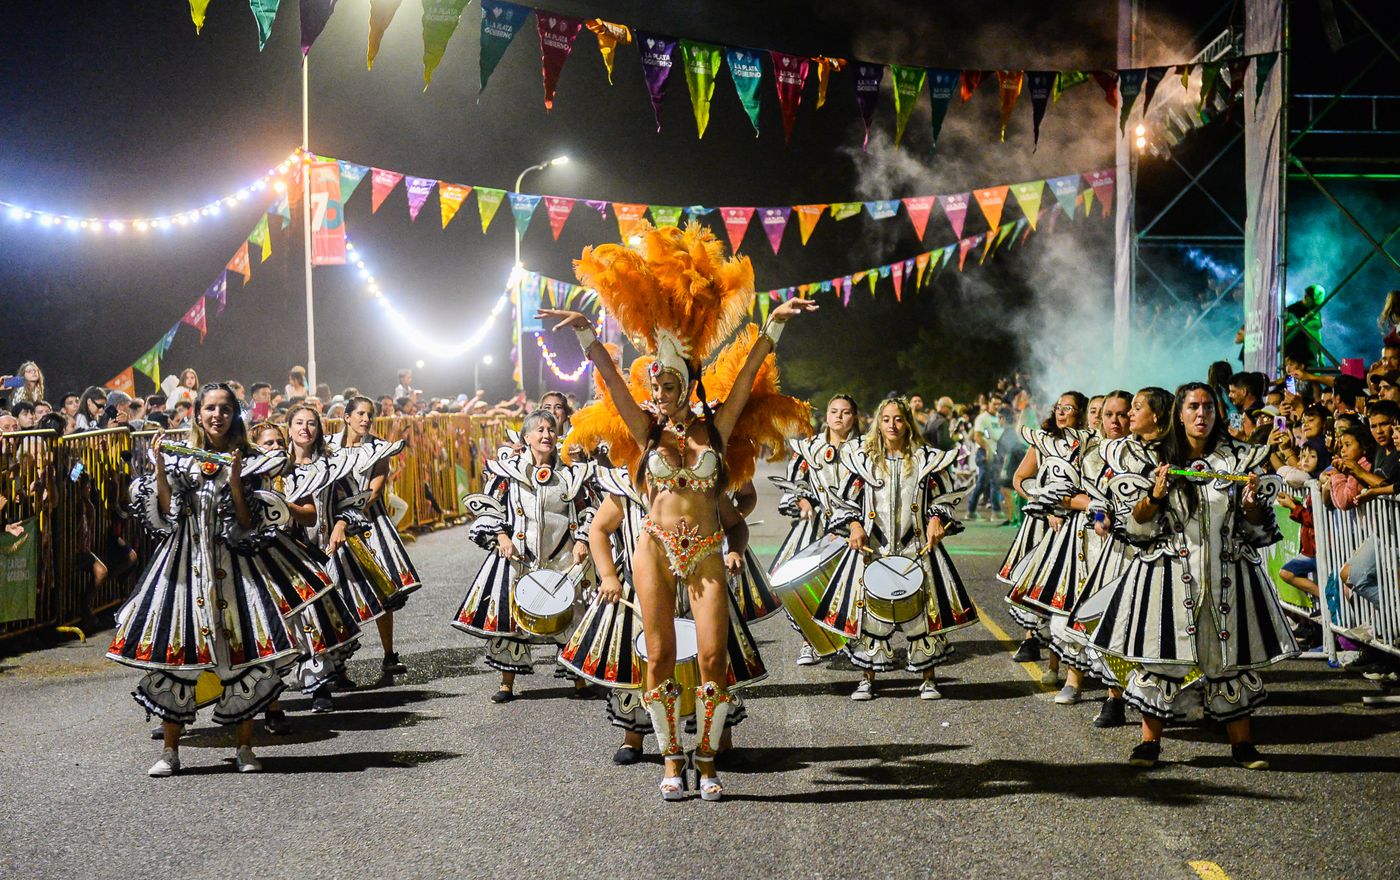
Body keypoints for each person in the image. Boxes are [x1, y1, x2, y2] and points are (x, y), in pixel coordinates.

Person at [541, 221, 814, 802]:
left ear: (688, 385)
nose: (660, 393)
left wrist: (773, 329)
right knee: (660, 653)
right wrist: (590, 338)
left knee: (714, 655)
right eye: (656, 386)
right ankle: (671, 759)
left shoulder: (715, 430)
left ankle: (707, 761)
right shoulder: (644, 434)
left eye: (670, 385)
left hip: (708, 550)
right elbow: (614, 387)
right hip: (655, 550)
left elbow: (742, 383)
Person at [107, 383, 336, 776]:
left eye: (225, 409)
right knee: (176, 656)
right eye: (210, 408)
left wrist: (234, 481)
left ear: (235, 415)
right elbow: (165, 516)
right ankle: (170, 752)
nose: (217, 416)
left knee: (243, 652)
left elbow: (249, 524)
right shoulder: (180, 459)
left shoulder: (249, 460)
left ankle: (245, 747)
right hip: (183, 568)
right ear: (198, 414)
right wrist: (161, 469)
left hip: (234, 568)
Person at [1069, 382, 1296, 770]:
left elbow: (1255, 527)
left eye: (1208, 407)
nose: (1201, 414)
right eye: (1193, 406)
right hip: (1169, 576)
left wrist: (1253, 504)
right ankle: (1149, 743)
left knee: (1228, 659)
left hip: (1227, 575)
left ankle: (1242, 746)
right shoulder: (1153, 458)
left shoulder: (1237, 460)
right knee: (1163, 659)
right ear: (1179, 413)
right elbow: (1137, 522)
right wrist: (1155, 495)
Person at [817, 396, 978, 701]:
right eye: (886, 419)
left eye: (899, 419)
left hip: (916, 547)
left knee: (922, 614)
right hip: (874, 550)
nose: (892, 425)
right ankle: (867, 678)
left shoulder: (926, 460)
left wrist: (935, 520)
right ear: (878, 422)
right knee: (870, 616)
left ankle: (928, 678)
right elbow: (846, 502)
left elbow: (943, 499)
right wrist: (854, 526)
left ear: (908, 422)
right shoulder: (861, 461)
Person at [453, 409, 594, 700]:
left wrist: (582, 539)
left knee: (572, 614)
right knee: (512, 618)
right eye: (540, 430)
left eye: (551, 430)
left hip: (563, 556)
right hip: (520, 557)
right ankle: (506, 683)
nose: (546, 435)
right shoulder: (508, 471)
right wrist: (502, 537)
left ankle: (579, 681)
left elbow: (588, 508)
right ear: (526, 437)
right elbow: (492, 507)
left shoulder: (571, 472)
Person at [331, 396, 422, 677]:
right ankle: (339, 665)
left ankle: (388, 653)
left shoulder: (380, 448)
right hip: (334, 524)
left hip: (371, 523)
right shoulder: (329, 447)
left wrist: (349, 519)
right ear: (346, 417)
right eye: (359, 413)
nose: (366, 419)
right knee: (339, 590)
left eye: (369, 414)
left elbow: (375, 490)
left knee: (383, 588)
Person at [1003, 391, 1090, 673]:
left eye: (1069, 408)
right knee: (1037, 584)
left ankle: (1069, 655)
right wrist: (1045, 504)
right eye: (1059, 407)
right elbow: (1020, 479)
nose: (1062, 412)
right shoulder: (1044, 441)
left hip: (1075, 523)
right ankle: (1030, 639)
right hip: (1044, 522)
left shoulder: (1089, 445)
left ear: (1082, 413)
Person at [770, 394, 860, 666]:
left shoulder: (865, 450)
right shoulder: (810, 448)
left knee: (850, 585)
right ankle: (808, 642)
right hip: (816, 528)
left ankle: (851, 640)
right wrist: (802, 499)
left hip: (852, 528)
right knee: (803, 587)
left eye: (845, 412)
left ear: (854, 417)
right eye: (834, 411)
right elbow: (795, 483)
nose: (839, 417)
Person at [967, 395, 1004, 521]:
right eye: (994, 404)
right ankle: (971, 511)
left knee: (995, 483)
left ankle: (996, 511)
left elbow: (997, 436)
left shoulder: (999, 417)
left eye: (999, 404)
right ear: (989, 403)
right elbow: (978, 436)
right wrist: (988, 450)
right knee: (982, 483)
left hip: (996, 453)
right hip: (984, 453)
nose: (997, 406)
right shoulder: (982, 418)